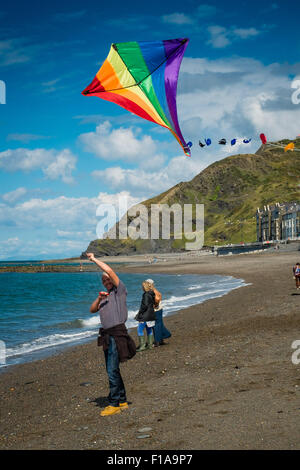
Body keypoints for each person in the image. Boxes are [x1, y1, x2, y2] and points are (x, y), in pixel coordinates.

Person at [88, 253, 136, 417]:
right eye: (104, 281)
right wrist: (99, 297)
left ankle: (114, 403)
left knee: (111, 370)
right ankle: (122, 400)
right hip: (107, 335)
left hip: (117, 334)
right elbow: (92, 310)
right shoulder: (105, 297)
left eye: (109, 280)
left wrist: (94, 259)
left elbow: (109, 270)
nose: (107, 282)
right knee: (113, 369)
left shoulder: (119, 291)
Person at [146, 279, 171, 347]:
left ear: (149, 284)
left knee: (156, 325)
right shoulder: (154, 289)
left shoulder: (151, 290)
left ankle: (157, 341)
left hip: (156, 310)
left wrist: (155, 305)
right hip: (159, 309)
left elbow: (157, 298)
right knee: (159, 324)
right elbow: (160, 295)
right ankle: (162, 339)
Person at [135, 280, 156, 352]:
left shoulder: (146, 294)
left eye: (142, 286)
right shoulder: (152, 294)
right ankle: (150, 345)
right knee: (149, 329)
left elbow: (145, 305)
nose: (142, 288)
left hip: (145, 315)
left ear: (145, 287)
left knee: (139, 329)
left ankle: (142, 346)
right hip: (151, 314)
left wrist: (139, 313)